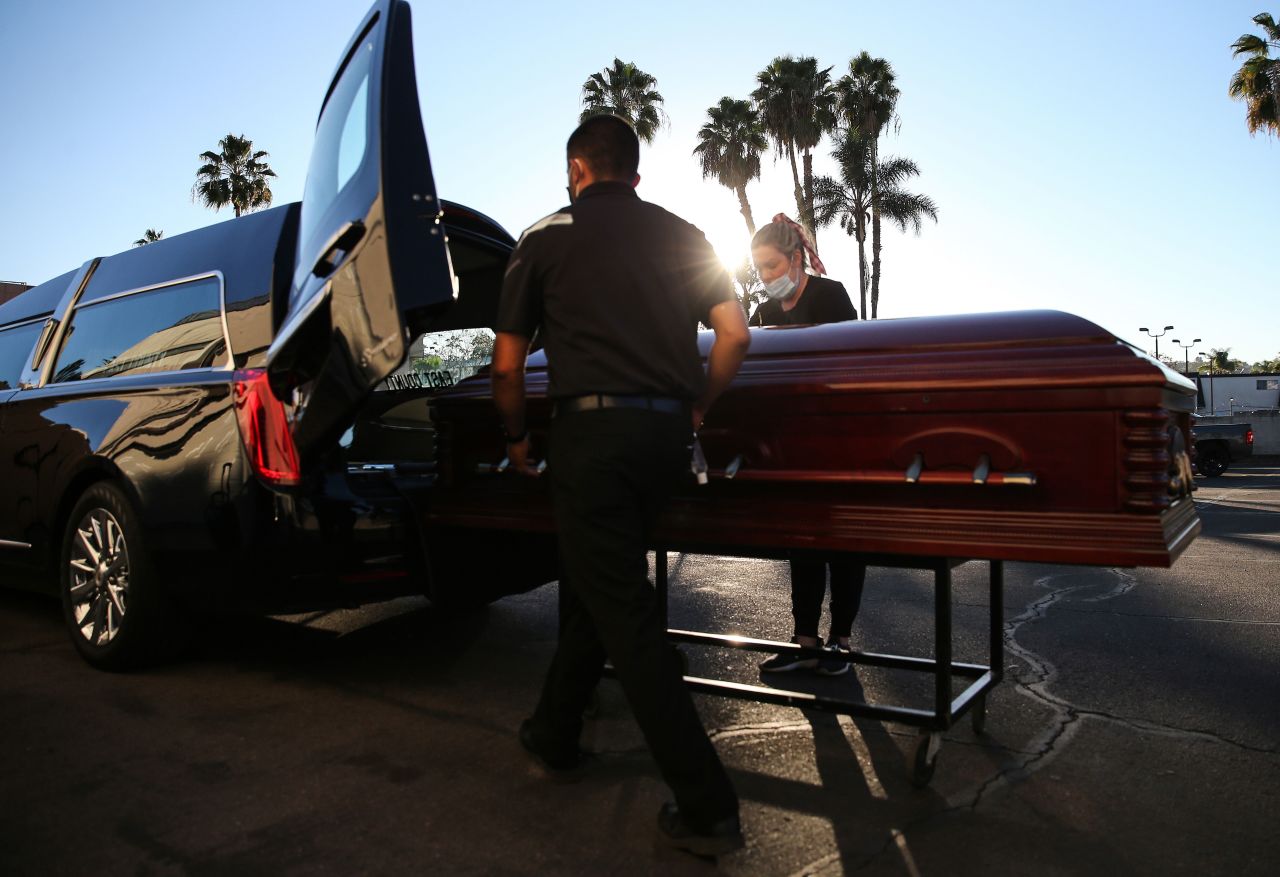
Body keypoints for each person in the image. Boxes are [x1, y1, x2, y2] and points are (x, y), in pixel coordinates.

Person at [491, 114, 752, 857]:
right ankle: (553, 730)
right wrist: (699, 400)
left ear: (576, 170)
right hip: (665, 439)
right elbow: (736, 335)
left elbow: (507, 366)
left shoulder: (543, 236)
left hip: (591, 441)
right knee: (601, 583)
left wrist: (515, 437)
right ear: (634, 174)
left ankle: (708, 806)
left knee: (623, 611)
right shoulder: (684, 234)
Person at [749, 215, 867, 676]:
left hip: (840, 440)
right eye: (759, 270)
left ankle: (840, 642)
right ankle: (804, 641)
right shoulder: (763, 314)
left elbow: (850, 361)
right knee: (802, 542)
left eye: (772, 267)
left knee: (845, 543)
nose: (766, 278)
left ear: (796, 260)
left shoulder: (830, 295)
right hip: (791, 445)